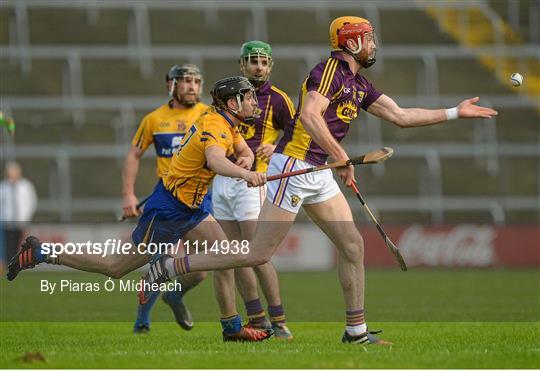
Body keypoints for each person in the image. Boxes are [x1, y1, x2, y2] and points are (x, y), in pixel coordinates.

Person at [138, 16, 498, 344]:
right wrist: (341, 156)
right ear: (352, 43)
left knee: (353, 245)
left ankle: (355, 332)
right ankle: (168, 266)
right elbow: (310, 115)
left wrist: (454, 112)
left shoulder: (358, 83)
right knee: (257, 253)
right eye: (369, 39)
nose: (374, 45)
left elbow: (400, 116)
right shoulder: (329, 71)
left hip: (319, 170)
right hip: (292, 167)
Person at [8, 76, 271, 342]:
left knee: (223, 257)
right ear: (232, 102)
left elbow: (242, 149)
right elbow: (215, 160)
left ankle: (231, 328)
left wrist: (246, 160)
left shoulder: (227, 121)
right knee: (116, 267)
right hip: (169, 210)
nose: (253, 101)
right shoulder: (215, 126)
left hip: (192, 208)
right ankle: (43, 252)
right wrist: (244, 174)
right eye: (247, 97)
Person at [211, 41, 294, 339]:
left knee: (256, 253)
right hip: (222, 181)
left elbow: (298, 133)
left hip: (253, 182)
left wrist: (278, 145)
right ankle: (257, 319)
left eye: (263, 61)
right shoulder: (227, 95)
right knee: (234, 254)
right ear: (241, 64)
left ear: (270, 66)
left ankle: (279, 319)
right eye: (252, 60)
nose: (258, 65)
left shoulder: (280, 99)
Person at [123, 64, 209, 333]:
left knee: (202, 269)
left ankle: (175, 296)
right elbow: (134, 155)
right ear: (170, 85)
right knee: (159, 262)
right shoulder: (154, 119)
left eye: (196, 81)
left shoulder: (208, 114)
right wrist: (128, 193)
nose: (192, 86)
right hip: (168, 197)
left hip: (201, 197)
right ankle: (142, 321)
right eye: (185, 81)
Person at [0, 162, 37, 266]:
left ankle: (21, 264)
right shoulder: (3, 187)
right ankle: (9, 265)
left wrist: (27, 218)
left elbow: (32, 203)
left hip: (22, 221)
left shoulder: (26, 186)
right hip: (7, 222)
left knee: (22, 244)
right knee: (8, 245)